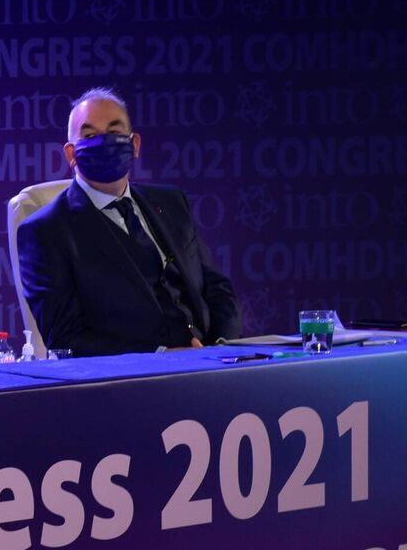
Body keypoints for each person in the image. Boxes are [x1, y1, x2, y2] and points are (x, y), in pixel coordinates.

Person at [15, 87, 241, 356]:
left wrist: (219, 350)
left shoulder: (171, 203)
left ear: (134, 145)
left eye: (113, 133)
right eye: (89, 135)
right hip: (132, 383)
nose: (103, 142)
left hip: (213, 363)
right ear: (71, 154)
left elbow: (217, 290)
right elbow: (66, 338)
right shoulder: (46, 230)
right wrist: (160, 356)